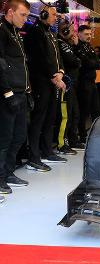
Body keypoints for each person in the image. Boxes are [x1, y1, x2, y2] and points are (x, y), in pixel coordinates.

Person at [24, 5, 67, 172]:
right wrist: (54, 78)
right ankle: (33, 157)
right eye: (53, 14)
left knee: (50, 118)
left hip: (53, 82)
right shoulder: (36, 32)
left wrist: (61, 72)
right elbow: (39, 59)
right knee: (38, 120)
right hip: (41, 83)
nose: (56, 17)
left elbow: (58, 57)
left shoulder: (51, 33)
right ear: (43, 14)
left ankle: (47, 151)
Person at [0, 0, 31, 193]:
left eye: (27, 15)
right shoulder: (2, 32)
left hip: (21, 93)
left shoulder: (16, 33)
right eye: (23, 15)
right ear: (11, 12)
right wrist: (8, 93)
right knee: (5, 138)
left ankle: (8, 172)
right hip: (8, 94)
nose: (26, 20)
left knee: (19, 136)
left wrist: (27, 89)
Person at [57, 19, 82, 153]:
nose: (74, 33)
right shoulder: (61, 44)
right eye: (72, 30)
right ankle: (62, 144)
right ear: (65, 31)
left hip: (72, 85)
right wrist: (77, 60)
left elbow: (78, 60)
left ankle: (72, 140)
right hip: (65, 85)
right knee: (65, 116)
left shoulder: (68, 44)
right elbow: (73, 61)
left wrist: (76, 47)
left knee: (74, 113)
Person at [75, 25, 100, 143]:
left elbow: (98, 64)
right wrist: (91, 62)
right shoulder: (77, 47)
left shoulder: (89, 47)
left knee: (96, 109)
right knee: (83, 110)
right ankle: (82, 135)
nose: (89, 36)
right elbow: (86, 63)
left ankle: (96, 133)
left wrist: (91, 62)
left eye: (90, 34)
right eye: (86, 34)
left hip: (92, 81)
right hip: (83, 82)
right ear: (79, 34)